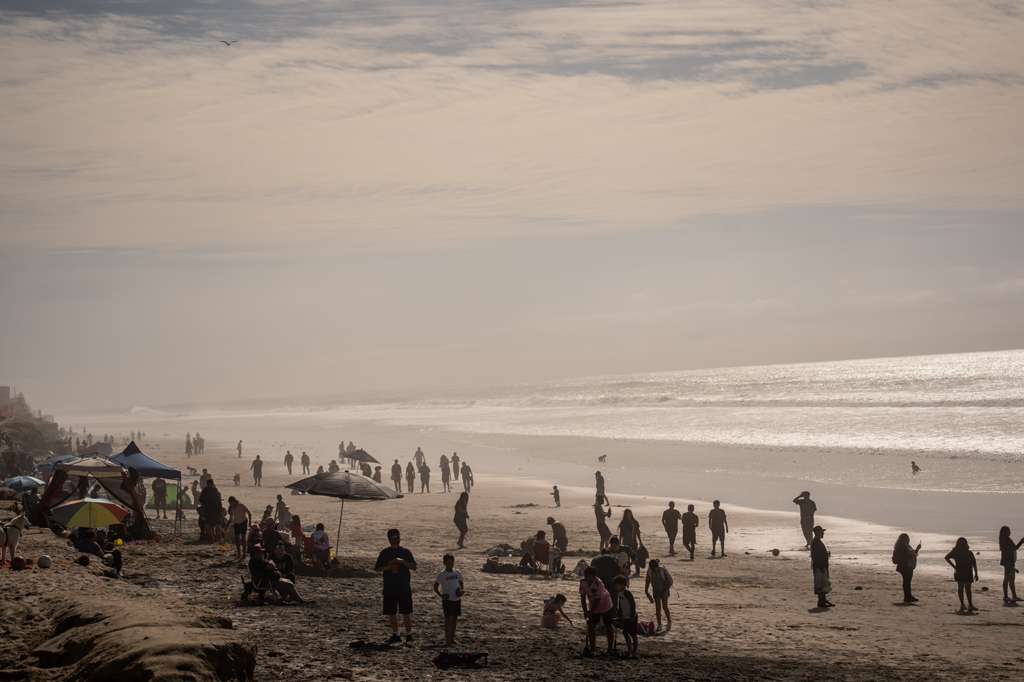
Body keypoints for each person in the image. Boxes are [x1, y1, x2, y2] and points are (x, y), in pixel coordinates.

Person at [374, 528, 417, 644]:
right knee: (391, 612)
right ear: (389, 539)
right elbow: (377, 568)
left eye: (397, 537)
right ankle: (396, 634)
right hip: (389, 587)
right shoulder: (385, 553)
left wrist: (402, 562)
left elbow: (414, 566)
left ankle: (409, 635)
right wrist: (389, 567)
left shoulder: (405, 552)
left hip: (404, 587)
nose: (396, 539)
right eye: (393, 537)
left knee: (406, 612)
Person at [580, 566, 615, 657]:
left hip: (605, 605)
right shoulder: (583, 582)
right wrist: (585, 611)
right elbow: (583, 597)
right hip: (593, 605)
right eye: (586, 576)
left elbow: (598, 600)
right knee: (591, 626)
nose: (587, 578)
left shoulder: (598, 583)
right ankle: (592, 648)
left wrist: (590, 612)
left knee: (608, 626)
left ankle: (610, 648)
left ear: (594, 576)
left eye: (589, 576)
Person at [433, 553, 464, 648]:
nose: (450, 564)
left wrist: (461, 591)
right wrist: (441, 595)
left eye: (452, 562)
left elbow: (461, 583)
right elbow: (435, 586)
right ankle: (447, 640)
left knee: (454, 619)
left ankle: (452, 638)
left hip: (456, 599)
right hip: (447, 600)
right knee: (448, 620)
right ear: (444, 563)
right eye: (448, 562)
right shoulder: (442, 574)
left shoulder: (457, 572)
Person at [945, 537, 979, 613]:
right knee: (968, 589)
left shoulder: (956, 551)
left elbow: (946, 558)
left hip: (959, 572)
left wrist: (954, 566)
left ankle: (962, 605)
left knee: (960, 588)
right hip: (968, 572)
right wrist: (976, 574)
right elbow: (974, 564)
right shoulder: (969, 552)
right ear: (966, 544)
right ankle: (970, 605)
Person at [645, 558, 673, 631]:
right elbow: (647, 581)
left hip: (664, 590)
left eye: (655, 568)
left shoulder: (662, 570)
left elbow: (670, 581)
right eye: (652, 568)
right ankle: (659, 624)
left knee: (665, 607)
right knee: (658, 609)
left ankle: (669, 621)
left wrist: (665, 590)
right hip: (656, 591)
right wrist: (646, 592)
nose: (654, 570)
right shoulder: (650, 571)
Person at [613, 575, 638, 658]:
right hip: (625, 617)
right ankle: (630, 650)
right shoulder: (620, 594)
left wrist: (632, 616)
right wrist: (619, 615)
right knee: (625, 633)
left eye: (617, 585)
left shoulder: (627, 593)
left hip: (632, 617)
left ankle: (634, 652)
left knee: (633, 634)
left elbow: (632, 604)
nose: (616, 587)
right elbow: (620, 606)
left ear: (622, 585)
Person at [892, 533, 921, 603]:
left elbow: (912, 554)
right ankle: (908, 597)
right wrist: (917, 550)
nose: (908, 539)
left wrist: (917, 549)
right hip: (906, 566)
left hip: (903, 566)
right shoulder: (904, 547)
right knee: (907, 582)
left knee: (907, 582)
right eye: (907, 538)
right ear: (905, 539)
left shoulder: (900, 546)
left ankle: (908, 596)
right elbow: (912, 555)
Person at [811, 525, 834, 608]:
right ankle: (821, 602)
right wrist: (821, 567)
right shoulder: (816, 542)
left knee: (823, 584)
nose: (823, 533)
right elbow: (815, 556)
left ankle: (823, 600)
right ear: (818, 533)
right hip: (819, 567)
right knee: (821, 584)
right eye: (822, 532)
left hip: (820, 566)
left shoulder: (816, 541)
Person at [1000, 526, 1024, 604]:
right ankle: (1007, 596)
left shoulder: (1003, 540)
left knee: (1009, 579)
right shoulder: (1007, 540)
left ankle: (1012, 596)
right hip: (1009, 562)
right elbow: (1015, 548)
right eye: (1008, 531)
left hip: (1008, 561)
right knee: (1008, 579)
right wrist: (1022, 541)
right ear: (1005, 532)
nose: (1010, 532)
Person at [227, 495, 252, 562]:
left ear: (234, 501)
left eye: (231, 503)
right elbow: (231, 518)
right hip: (237, 523)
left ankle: (244, 553)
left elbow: (249, 513)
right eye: (230, 503)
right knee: (237, 539)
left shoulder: (241, 505)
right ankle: (239, 553)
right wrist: (228, 525)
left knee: (243, 538)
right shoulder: (232, 508)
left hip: (243, 522)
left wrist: (250, 523)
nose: (230, 504)